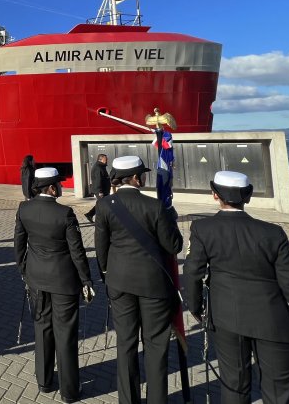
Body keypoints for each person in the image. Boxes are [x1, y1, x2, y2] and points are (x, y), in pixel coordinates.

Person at [184, 171, 289, 404]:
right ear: (247, 197)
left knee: (234, 388)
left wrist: (197, 308)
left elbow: (192, 273)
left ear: (215, 195)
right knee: (279, 393)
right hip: (273, 320)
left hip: (226, 319)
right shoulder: (273, 233)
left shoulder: (202, 229)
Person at [93, 155, 183, 404]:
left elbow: (101, 249)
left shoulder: (105, 205)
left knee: (126, 344)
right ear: (134, 178)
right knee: (156, 347)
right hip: (153, 285)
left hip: (119, 283)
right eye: (142, 174)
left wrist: (107, 277)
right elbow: (173, 245)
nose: (144, 178)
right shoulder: (155, 207)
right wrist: (171, 219)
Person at [15, 167, 94, 402]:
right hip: (64, 281)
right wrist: (86, 280)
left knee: (42, 329)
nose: (61, 187)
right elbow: (77, 252)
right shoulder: (65, 213)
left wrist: (24, 272)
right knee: (66, 334)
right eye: (58, 184)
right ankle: (70, 391)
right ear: (51, 188)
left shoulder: (24, 209)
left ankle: (45, 382)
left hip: (36, 280)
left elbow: (19, 246)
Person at [84, 154, 109, 222]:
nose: (107, 160)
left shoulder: (101, 166)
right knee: (103, 205)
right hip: (100, 190)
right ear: (100, 159)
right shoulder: (98, 167)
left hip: (103, 190)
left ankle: (89, 214)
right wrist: (100, 191)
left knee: (100, 204)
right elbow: (98, 180)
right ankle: (101, 219)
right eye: (105, 159)